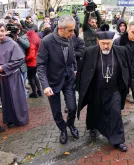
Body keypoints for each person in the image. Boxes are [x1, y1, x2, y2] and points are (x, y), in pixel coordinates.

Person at [77, 30, 130, 152]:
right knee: (95, 110)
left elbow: (127, 69)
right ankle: (93, 128)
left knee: (116, 112)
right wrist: (80, 87)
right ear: (98, 42)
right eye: (103, 43)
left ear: (112, 42)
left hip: (114, 89)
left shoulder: (121, 51)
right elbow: (82, 71)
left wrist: (128, 85)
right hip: (96, 89)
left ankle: (118, 140)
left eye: (108, 43)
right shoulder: (89, 52)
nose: (106, 46)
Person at [37, 15, 79, 144]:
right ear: (61, 28)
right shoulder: (47, 41)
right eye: (70, 30)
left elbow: (72, 57)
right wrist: (45, 85)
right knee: (56, 112)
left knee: (72, 108)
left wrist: (75, 69)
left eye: (74, 30)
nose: (73, 33)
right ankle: (63, 130)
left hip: (69, 80)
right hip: (53, 82)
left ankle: (70, 124)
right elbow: (41, 65)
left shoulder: (70, 38)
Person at [0, 23, 29, 128]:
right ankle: (10, 119)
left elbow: (20, 59)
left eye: (2, 31)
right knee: (6, 99)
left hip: (13, 76)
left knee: (15, 98)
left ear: (6, 32)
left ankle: (19, 119)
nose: (0, 34)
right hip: (2, 78)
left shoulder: (12, 43)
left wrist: (4, 67)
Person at [26, 31, 43, 98]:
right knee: (35, 77)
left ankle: (35, 93)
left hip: (31, 63)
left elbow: (31, 55)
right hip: (36, 62)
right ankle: (40, 91)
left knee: (31, 78)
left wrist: (25, 59)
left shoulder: (32, 44)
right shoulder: (38, 41)